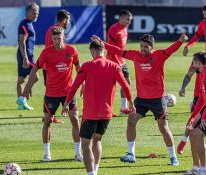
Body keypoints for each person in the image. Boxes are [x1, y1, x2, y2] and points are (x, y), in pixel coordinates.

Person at [91, 32, 188, 166]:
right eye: (141, 46)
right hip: (142, 99)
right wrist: (103, 43)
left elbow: (171, 49)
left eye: (145, 47)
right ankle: (131, 153)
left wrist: (180, 41)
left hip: (157, 99)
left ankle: (173, 157)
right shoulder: (135, 55)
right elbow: (118, 51)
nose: (142, 49)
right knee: (131, 120)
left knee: (163, 128)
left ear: (151, 47)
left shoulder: (159, 55)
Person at [62, 40, 135, 175]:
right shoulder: (114, 66)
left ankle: (91, 173)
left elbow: (74, 86)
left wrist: (66, 103)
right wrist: (130, 101)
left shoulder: (88, 66)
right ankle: (95, 170)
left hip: (91, 113)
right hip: (106, 113)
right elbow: (125, 85)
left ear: (93, 51)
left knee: (85, 143)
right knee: (97, 140)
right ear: (104, 51)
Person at [23, 27, 82, 162]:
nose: (56, 41)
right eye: (54, 39)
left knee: (75, 119)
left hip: (68, 92)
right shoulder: (46, 53)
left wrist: (83, 84)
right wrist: (27, 88)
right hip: (51, 93)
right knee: (47, 121)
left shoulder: (72, 50)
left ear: (63, 38)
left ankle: (78, 153)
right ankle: (47, 154)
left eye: (58, 39)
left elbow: (79, 67)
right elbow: (34, 69)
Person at [44, 9, 71, 123]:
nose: (68, 23)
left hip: (48, 66)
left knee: (50, 90)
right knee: (52, 91)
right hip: (51, 67)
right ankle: (50, 115)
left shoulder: (52, 29)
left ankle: (48, 115)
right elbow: (52, 51)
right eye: (68, 20)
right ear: (64, 20)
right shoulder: (55, 31)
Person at [107, 9, 133, 115]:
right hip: (113, 61)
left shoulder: (124, 29)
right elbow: (110, 49)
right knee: (110, 86)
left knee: (127, 83)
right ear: (121, 18)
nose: (129, 22)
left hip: (122, 61)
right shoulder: (113, 30)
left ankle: (123, 108)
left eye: (130, 20)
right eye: (127, 19)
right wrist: (118, 63)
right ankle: (108, 109)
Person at [16, 3, 39, 110]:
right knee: (36, 77)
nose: (36, 15)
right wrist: (25, 58)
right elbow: (22, 42)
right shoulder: (25, 24)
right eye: (34, 13)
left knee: (21, 79)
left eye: (37, 13)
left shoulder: (28, 23)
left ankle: (21, 105)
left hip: (24, 55)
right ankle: (22, 98)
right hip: (26, 55)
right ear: (29, 12)